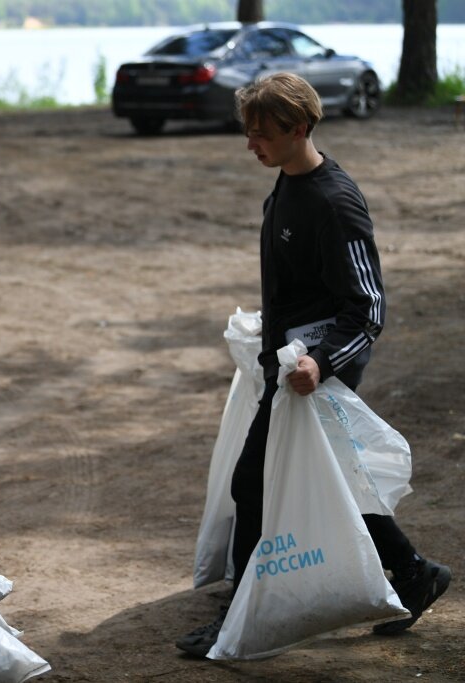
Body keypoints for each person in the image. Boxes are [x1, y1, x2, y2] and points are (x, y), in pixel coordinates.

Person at [176, 73, 451, 658]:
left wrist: (320, 366)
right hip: (292, 362)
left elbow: (368, 308)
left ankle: (240, 621)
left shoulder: (335, 202)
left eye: (262, 135)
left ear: (298, 128)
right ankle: (413, 571)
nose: (251, 144)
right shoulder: (285, 184)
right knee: (327, 479)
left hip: (318, 369)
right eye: (248, 133)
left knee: (253, 481)